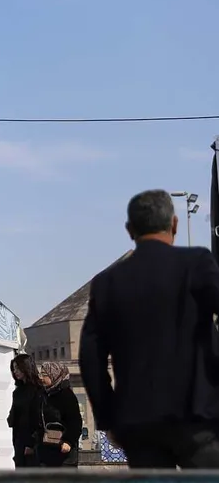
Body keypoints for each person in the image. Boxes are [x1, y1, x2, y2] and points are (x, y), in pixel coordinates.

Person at [80, 189, 219, 468]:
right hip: (198, 415)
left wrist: (109, 417)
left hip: (138, 421)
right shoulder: (197, 264)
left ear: (130, 230)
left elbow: (90, 357)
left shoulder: (108, 283)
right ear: (174, 224)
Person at [33, 362, 82, 468]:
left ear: (54, 375)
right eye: (41, 374)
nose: (41, 378)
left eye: (44, 375)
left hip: (63, 453)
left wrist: (68, 441)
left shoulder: (66, 396)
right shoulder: (43, 394)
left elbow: (75, 422)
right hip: (45, 451)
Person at [7, 354, 43, 467]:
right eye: (14, 369)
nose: (15, 371)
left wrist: (31, 443)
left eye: (18, 368)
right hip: (19, 437)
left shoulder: (38, 390)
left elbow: (36, 418)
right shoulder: (18, 391)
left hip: (33, 440)